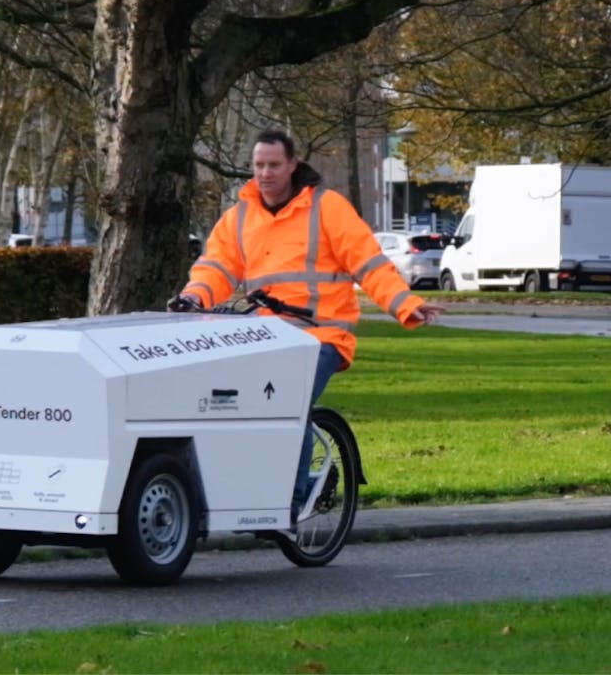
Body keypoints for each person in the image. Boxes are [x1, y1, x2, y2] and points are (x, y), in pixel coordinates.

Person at [172, 129, 445, 524]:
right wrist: (194, 297)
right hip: (264, 336)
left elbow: (369, 263)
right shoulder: (240, 216)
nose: (265, 173)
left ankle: (290, 502)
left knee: (289, 401)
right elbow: (216, 267)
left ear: (292, 166)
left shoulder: (327, 208)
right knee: (225, 403)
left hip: (322, 334)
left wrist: (405, 304)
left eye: (274, 165)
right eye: (259, 165)